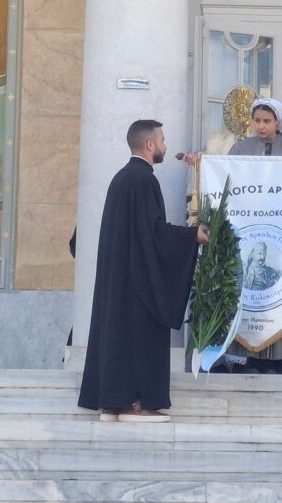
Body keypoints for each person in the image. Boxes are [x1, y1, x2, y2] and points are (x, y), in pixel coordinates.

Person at [78, 120, 208, 422]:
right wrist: (193, 236)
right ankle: (134, 403)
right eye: (162, 140)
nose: (165, 146)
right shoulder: (143, 180)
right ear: (149, 145)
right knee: (140, 335)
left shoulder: (122, 178)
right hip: (137, 282)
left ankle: (114, 403)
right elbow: (154, 234)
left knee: (119, 336)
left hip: (120, 279)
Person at [183, 98, 282, 372]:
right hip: (248, 221)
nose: (261, 126)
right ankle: (246, 359)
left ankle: (281, 361)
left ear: (278, 122)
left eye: (267, 121)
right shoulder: (240, 149)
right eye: (257, 121)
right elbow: (225, 176)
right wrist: (202, 163)